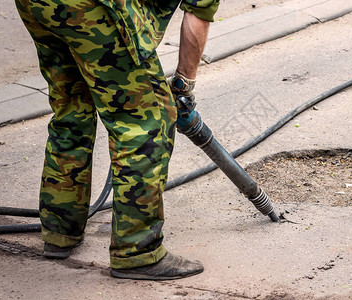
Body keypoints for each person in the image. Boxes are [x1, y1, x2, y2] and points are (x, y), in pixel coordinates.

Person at [15, 0, 219, 280]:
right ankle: (137, 251)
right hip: (93, 7)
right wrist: (184, 85)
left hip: (37, 5)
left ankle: (60, 230)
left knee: (72, 109)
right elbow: (199, 13)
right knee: (147, 120)